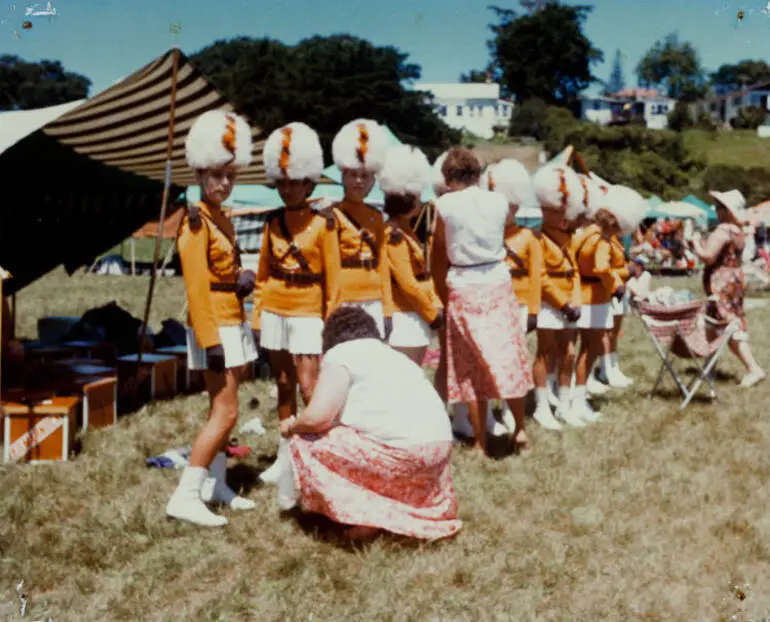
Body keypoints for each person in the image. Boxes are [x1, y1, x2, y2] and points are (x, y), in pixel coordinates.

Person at [276, 305, 461, 542]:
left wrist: (291, 426)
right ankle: (395, 509)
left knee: (304, 440)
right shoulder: (392, 354)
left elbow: (317, 418)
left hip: (404, 455)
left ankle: (363, 516)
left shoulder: (341, 354)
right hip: (438, 453)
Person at [166, 110, 258, 527]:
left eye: (230, 176)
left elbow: (218, 275)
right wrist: (210, 340)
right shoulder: (195, 221)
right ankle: (185, 494)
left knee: (224, 407)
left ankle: (216, 483)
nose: (223, 183)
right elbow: (196, 288)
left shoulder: (221, 218)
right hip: (214, 326)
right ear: (200, 173)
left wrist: (240, 280)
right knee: (226, 414)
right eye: (216, 175)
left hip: (232, 319)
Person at [251, 122, 342, 485]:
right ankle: (285, 454)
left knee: (310, 386)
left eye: (296, 181)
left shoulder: (324, 224)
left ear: (310, 182)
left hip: (308, 310)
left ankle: (319, 453)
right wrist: (257, 317)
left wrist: (332, 322)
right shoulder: (271, 222)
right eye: (282, 182)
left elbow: (334, 281)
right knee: (284, 382)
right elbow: (261, 275)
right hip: (275, 308)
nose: (287, 189)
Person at [430, 148, 533, 454]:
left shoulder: (443, 205)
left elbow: (437, 252)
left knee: (471, 366)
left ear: (448, 179)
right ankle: (520, 428)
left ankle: (479, 441)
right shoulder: (499, 201)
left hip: (463, 282)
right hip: (498, 281)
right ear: (477, 175)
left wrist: (439, 291)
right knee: (507, 358)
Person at [572, 183, 647, 420]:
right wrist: (617, 283)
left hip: (580, 293)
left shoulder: (584, 233)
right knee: (590, 350)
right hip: (596, 297)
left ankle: (574, 396)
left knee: (580, 349)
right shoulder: (603, 240)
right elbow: (601, 267)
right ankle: (579, 400)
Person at [688, 190, 765, 387]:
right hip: (734, 280)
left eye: (719, 207)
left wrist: (694, 243)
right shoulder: (739, 231)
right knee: (715, 323)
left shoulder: (723, 230)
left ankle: (753, 368)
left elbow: (708, 256)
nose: (716, 210)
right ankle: (709, 367)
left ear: (726, 210)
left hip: (721, 283)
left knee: (728, 325)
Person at [532, 164, 586, 428]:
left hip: (568, 304)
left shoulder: (569, 238)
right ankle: (542, 406)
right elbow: (540, 277)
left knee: (569, 353)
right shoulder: (538, 239)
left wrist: (575, 300)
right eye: (553, 209)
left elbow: (574, 270)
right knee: (545, 352)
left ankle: (564, 405)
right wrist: (562, 303)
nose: (561, 213)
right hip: (549, 304)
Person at [328, 119, 394, 339]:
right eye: (352, 174)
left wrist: (387, 309)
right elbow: (331, 266)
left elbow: (383, 265)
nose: (358, 181)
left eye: (365, 175)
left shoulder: (376, 217)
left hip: (374, 298)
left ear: (374, 180)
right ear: (342, 177)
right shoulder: (331, 215)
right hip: (344, 298)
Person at [380, 145, 444, 365]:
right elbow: (407, 283)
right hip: (405, 317)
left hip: (415, 315)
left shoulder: (406, 231)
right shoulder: (393, 234)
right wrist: (432, 314)